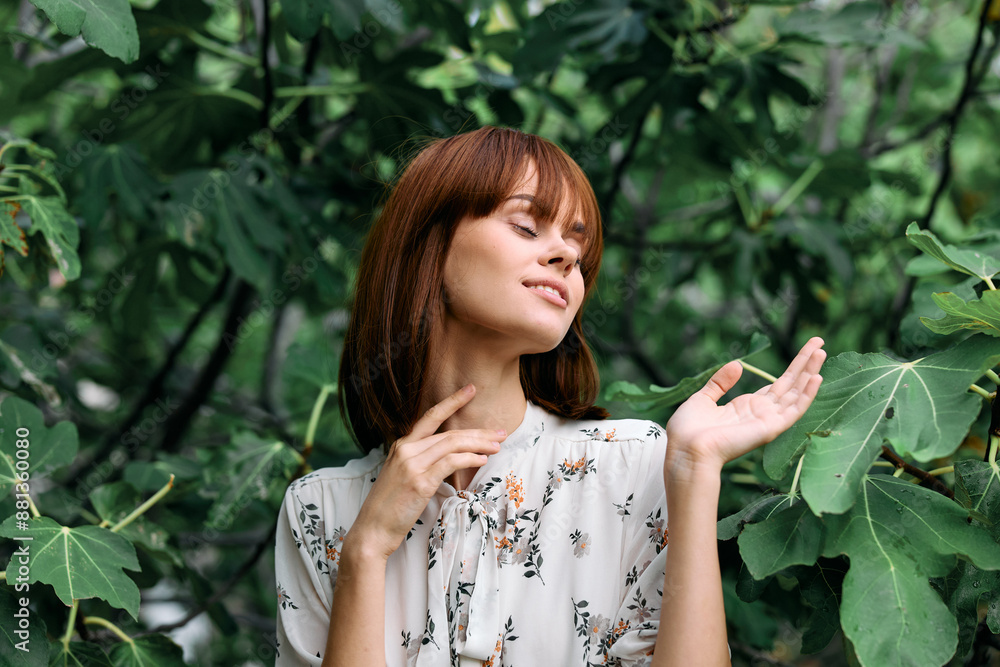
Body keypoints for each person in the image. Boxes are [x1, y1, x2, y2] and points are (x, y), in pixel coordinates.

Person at [273, 126, 826, 666]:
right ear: (428, 245)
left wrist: (694, 469)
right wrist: (365, 554)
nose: (565, 255)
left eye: (578, 247)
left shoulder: (630, 465)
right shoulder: (321, 510)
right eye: (526, 227)